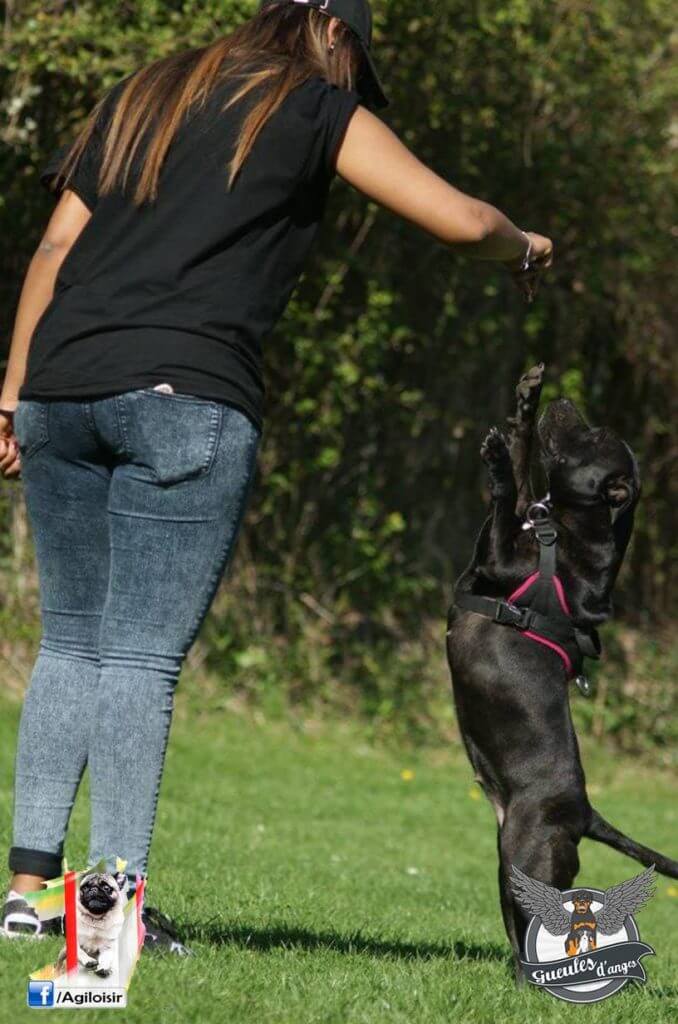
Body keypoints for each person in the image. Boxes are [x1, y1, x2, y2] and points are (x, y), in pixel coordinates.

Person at [0, 0, 553, 953]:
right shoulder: (306, 106)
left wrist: (11, 395)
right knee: (136, 659)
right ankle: (110, 923)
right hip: (184, 396)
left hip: (60, 389)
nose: (352, 86)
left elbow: (55, 247)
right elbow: (459, 221)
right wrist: (525, 245)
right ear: (332, 30)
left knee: (72, 646)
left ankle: (25, 894)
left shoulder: (146, 93)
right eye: (355, 63)